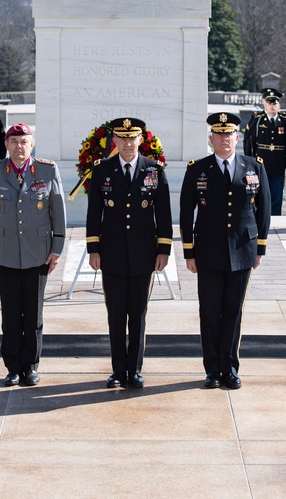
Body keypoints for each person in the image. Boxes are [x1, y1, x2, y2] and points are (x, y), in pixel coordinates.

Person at [180, 113, 270, 390]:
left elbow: (264, 210)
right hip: (208, 252)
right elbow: (185, 213)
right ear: (211, 139)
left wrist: (260, 248)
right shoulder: (198, 169)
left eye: (228, 134)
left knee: (233, 311)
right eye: (218, 135)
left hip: (242, 250)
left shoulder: (254, 166)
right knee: (209, 311)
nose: (224, 140)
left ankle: (230, 368)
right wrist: (189, 252)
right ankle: (212, 370)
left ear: (237, 138)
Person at [86, 117, 172, 389]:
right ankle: (116, 371)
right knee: (115, 314)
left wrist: (164, 250)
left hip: (143, 254)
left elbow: (164, 215)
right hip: (111, 254)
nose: (126, 143)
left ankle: (134, 370)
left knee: (138, 314)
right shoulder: (102, 170)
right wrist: (93, 249)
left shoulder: (154, 170)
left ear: (140, 140)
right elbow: (93, 214)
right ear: (114, 141)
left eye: (131, 138)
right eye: (121, 138)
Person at [0, 123, 66, 388]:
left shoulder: (47, 170)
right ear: (6, 144)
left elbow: (58, 211)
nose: (19, 146)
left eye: (24, 141)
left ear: (32, 144)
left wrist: (56, 249)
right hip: (4, 254)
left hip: (38, 254)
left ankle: (31, 366)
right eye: (14, 141)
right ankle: (13, 368)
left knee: (34, 314)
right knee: (11, 315)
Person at [242, 87, 286, 215]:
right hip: (261, 164)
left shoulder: (285, 121)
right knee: (260, 195)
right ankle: (261, 221)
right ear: (264, 103)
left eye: (274, 102)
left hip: (278, 164)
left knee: (276, 196)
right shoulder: (257, 119)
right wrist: (249, 163)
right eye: (269, 102)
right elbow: (249, 142)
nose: (272, 105)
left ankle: (276, 220)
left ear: (279, 104)